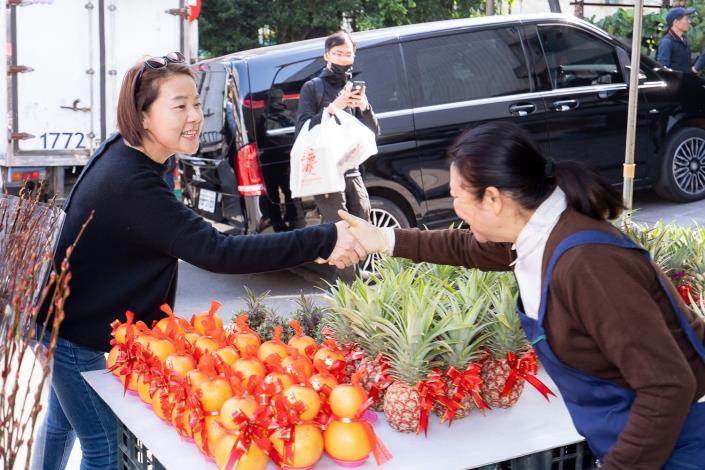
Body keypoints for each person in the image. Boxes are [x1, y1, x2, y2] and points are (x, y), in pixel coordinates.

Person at [32, 52, 365, 470]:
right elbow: (218, 252)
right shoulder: (131, 181)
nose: (195, 116)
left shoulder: (127, 151)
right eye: (179, 106)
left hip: (61, 316)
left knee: (63, 424)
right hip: (74, 333)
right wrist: (324, 236)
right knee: (101, 445)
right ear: (143, 115)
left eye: (195, 103)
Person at [341, 122, 705, 469]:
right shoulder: (538, 236)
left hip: (684, 439)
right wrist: (385, 240)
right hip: (645, 437)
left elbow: (667, 386)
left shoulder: (588, 264)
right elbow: (466, 248)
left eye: (456, 197)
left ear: (494, 199)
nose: (455, 209)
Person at [295, 31, 379, 280]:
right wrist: (333, 108)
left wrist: (364, 107)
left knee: (362, 219)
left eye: (348, 53)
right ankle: (346, 294)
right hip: (325, 172)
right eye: (337, 52)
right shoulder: (313, 87)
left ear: (354, 55)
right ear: (326, 55)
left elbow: (373, 132)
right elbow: (302, 129)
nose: (343, 57)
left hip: (351, 169)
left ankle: (355, 287)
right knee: (339, 229)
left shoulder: (353, 87)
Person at [656, 7, 698, 73]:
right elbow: (662, 70)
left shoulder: (684, 40)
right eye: (686, 19)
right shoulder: (667, 42)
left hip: (685, 81)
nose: (689, 21)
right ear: (675, 22)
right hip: (674, 82)